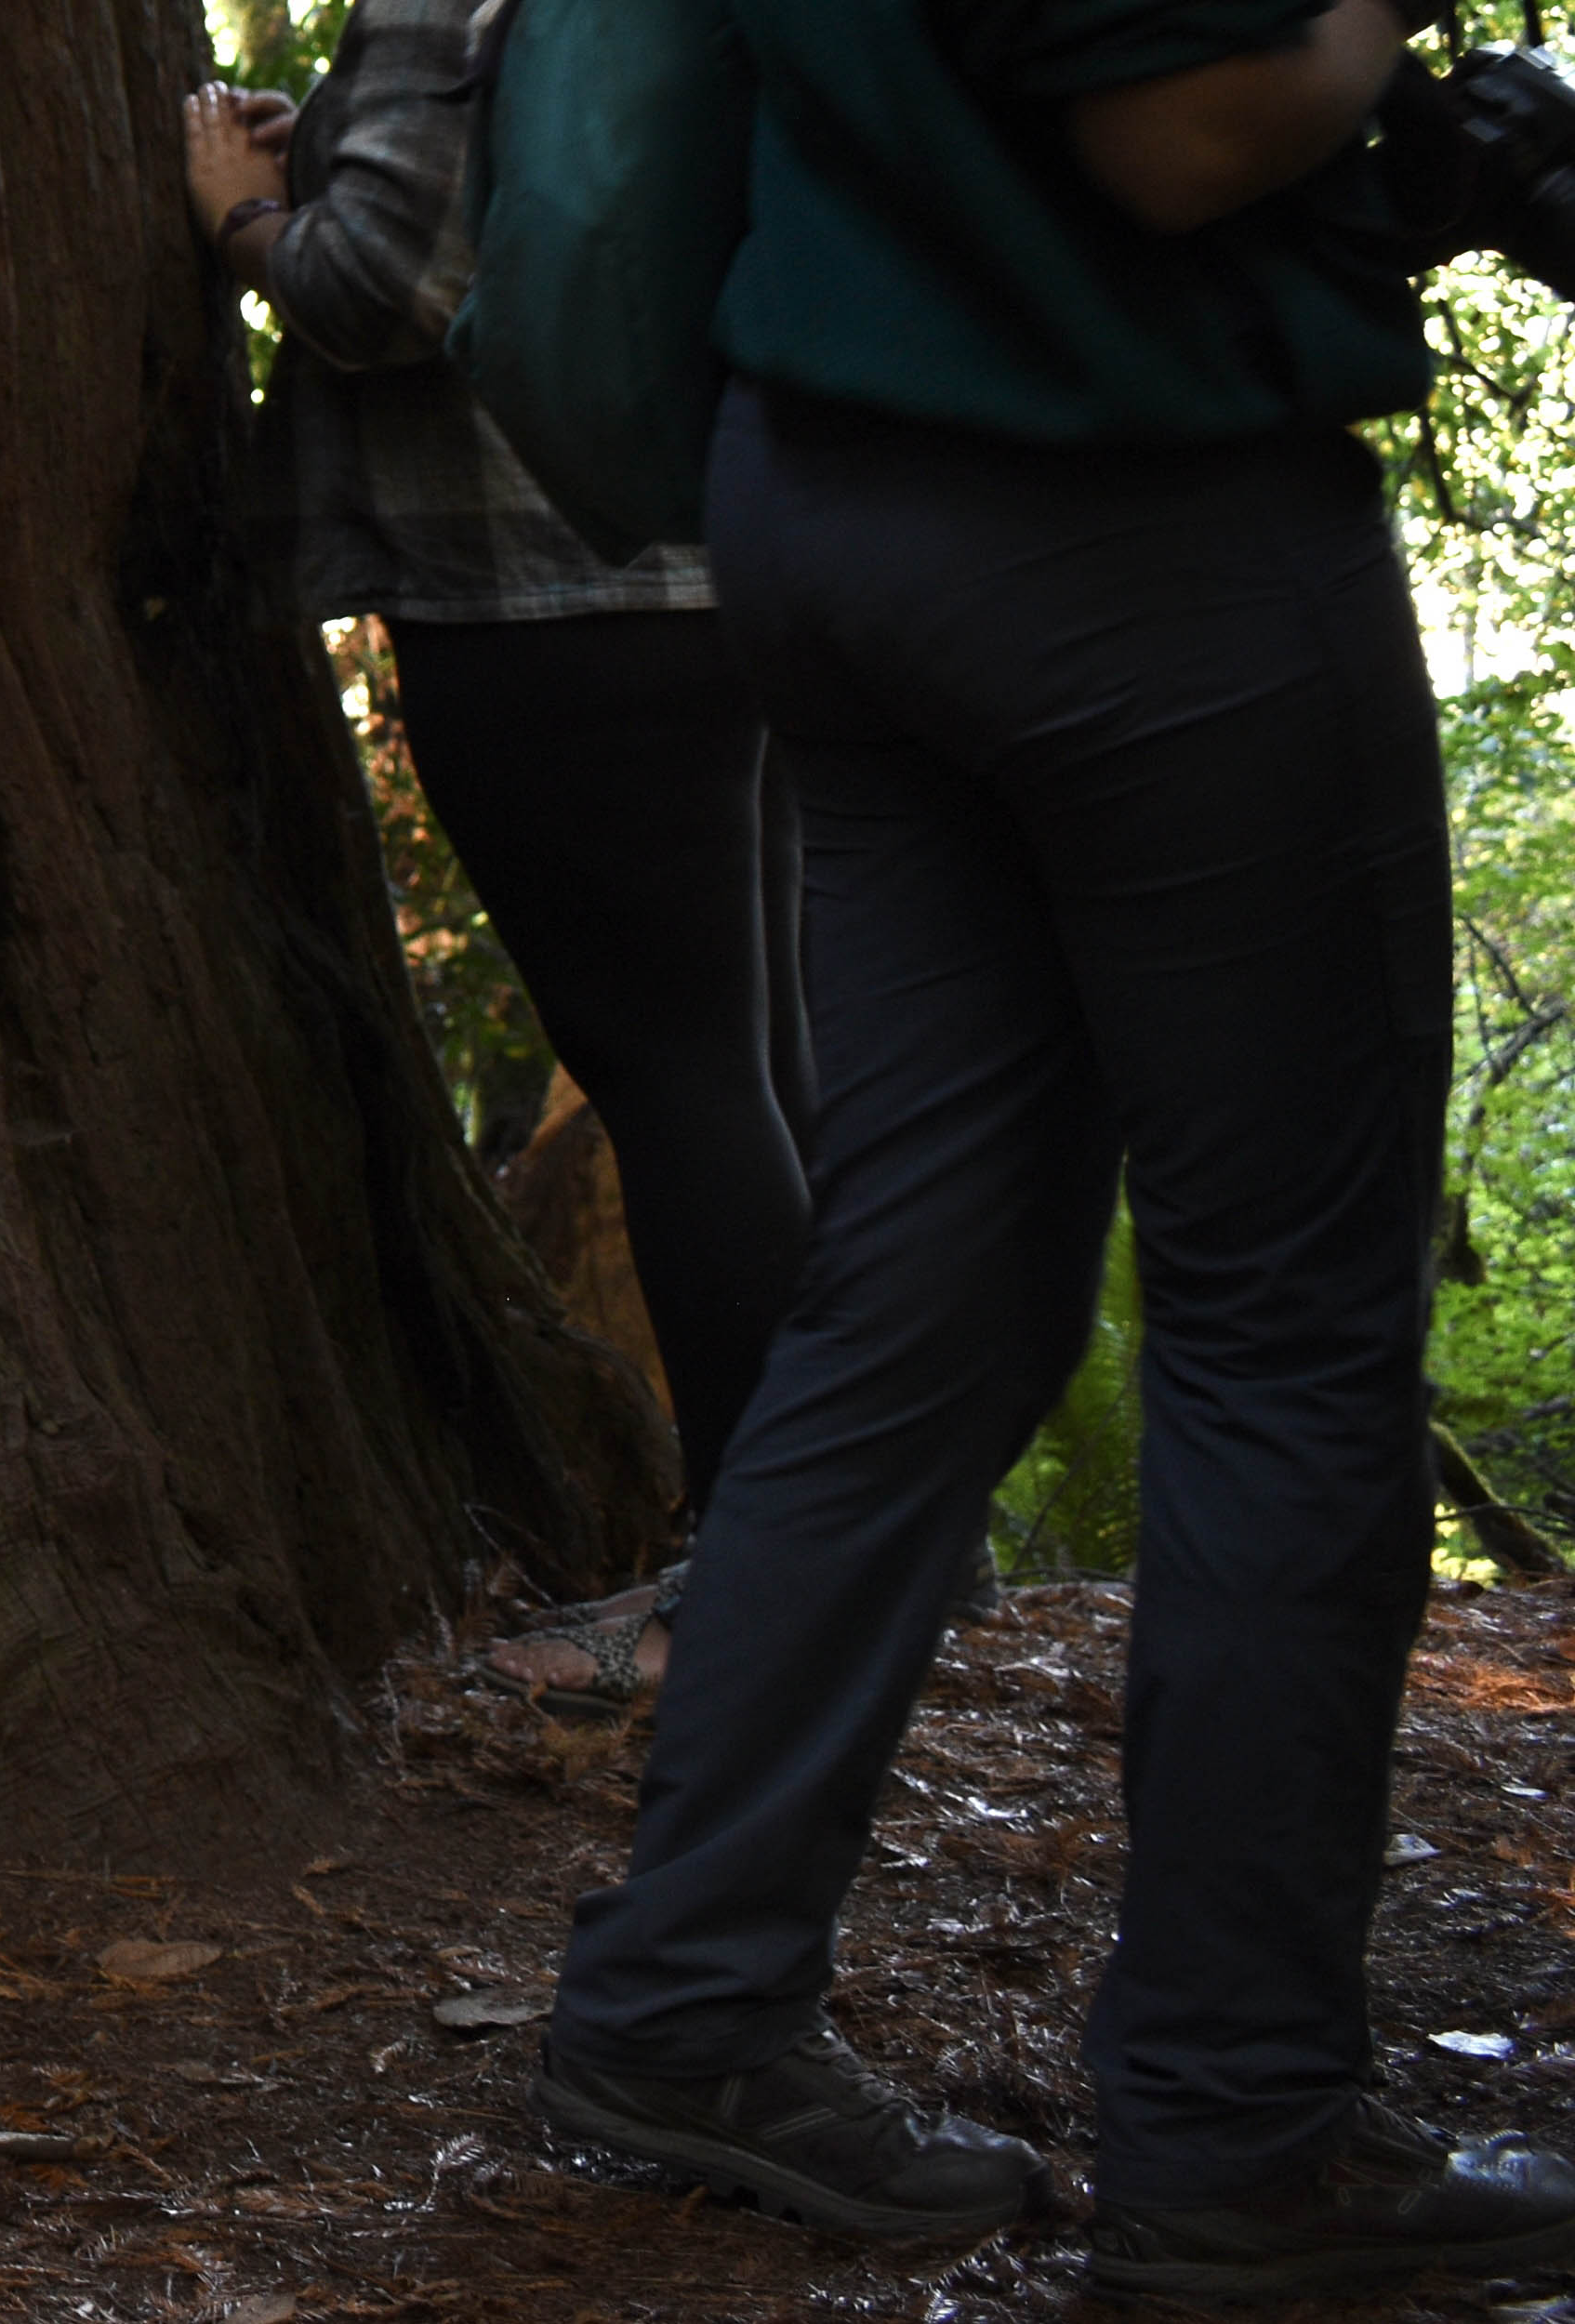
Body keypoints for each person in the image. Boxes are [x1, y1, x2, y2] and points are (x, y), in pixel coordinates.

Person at [517, 0, 1575, 2300]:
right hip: (1133, 530)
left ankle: (682, 2008)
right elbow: (1177, 127)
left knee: (925, 1289)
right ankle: (1241, 2121)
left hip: (844, 504)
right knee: (1289, 1332)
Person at [185, 5, 815, 1723]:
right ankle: (851, 1551)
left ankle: (762, 1602)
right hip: (711, 576)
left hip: (541, 610)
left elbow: (382, 286)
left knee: (686, 1086)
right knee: (754, 1076)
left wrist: (232, 209)